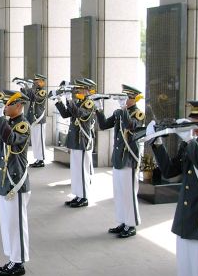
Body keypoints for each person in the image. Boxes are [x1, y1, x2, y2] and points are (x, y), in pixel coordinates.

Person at [149, 100, 198, 276]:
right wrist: (156, 143)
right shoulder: (193, 143)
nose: (194, 125)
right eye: (192, 119)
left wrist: (189, 142)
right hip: (185, 219)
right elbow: (170, 171)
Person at [95, 85, 145, 238]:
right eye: (123, 97)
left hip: (129, 158)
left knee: (129, 193)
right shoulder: (119, 112)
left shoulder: (139, 113)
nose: (124, 100)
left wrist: (123, 110)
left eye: (127, 98)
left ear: (134, 98)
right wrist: (99, 108)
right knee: (119, 193)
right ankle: (123, 221)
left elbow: (131, 127)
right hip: (118, 158)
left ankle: (131, 224)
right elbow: (104, 125)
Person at [0, 90, 31, 276]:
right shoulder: (8, 123)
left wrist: (0, 118)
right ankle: (12, 259)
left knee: (17, 224)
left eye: (8, 105)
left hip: (16, 184)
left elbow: (10, 139)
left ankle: (19, 263)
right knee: (8, 224)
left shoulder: (23, 125)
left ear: (18, 106)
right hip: (5, 182)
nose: (5, 107)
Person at [53, 78, 97, 208]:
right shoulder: (80, 102)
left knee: (82, 171)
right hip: (75, 140)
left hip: (82, 141)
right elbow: (67, 114)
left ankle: (84, 197)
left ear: (88, 90)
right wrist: (59, 101)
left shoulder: (89, 104)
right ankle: (78, 195)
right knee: (76, 171)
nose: (78, 90)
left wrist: (69, 99)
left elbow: (79, 114)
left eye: (81, 88)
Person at [20, 74, 48, 168]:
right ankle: (37, 159)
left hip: (39, 119)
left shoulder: (42, 92)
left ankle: (41, 160)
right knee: (35, 141)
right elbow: (28, 96)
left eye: (38, 81)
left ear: (43, 82)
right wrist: (23, 87)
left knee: (39, 140)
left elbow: (36, 98)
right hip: (34, 119)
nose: (36, 82)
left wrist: (29, 87)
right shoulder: (35, 90)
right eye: (35, 81)